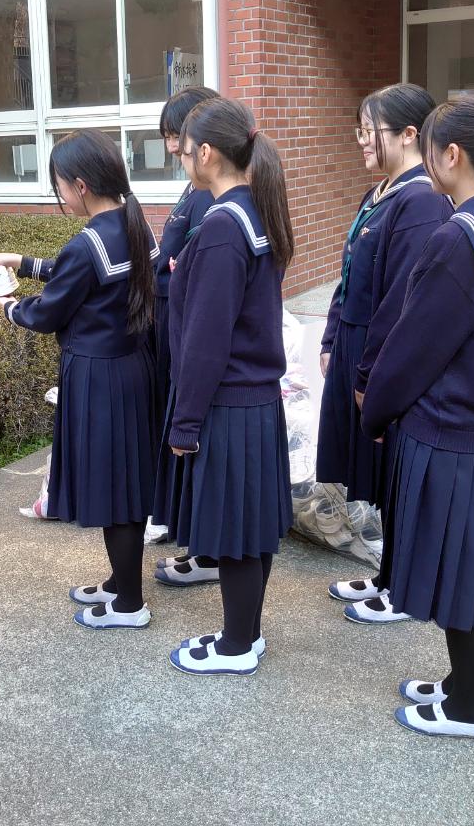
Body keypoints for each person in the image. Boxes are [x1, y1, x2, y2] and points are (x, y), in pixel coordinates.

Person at [358, 94, 474, 739]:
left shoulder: (458, 239)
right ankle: (463, 686)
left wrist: (375, 412)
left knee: (463, 580)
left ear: (452, 155)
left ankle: (469, 709)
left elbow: (414, 349)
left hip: (451, 433)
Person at [0, 130, 160, 630]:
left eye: (60, 186)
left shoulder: (88, 243)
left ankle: (130, 605)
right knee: (125, 485)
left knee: (113, 490)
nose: (59, 195)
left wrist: (8, 307)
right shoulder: (135, 223)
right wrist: (20, 262)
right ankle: (121, 583)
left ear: (81, 185)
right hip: (132, 368)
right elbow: (78, 276)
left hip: (99, 379)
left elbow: (48, 312)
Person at [158, 97, 295, 676]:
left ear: (207, 153)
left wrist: (184, 423)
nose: (182, 158)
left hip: (229, 400)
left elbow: (206, 339)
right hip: (255, 398)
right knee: (252, 525)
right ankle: (246, 634)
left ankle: (237, 646)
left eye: (185, 150)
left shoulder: (221, 226)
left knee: (237, 529)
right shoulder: (252, 210)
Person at [318, 83, 450, 625]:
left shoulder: (421, 201)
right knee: (374, 469)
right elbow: (349, 275)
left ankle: (400, 588)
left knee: (395, 471)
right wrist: (331, 339)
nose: (361, 140)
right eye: (360, 130)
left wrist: (371, 373)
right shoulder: (381, 193)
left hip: (384, 357)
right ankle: (386, 574)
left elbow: (400, 301)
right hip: (356, 346)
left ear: (410, 134)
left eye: (370, 131)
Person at [149, 85, 225, 588]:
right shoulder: (196, 190)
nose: (172, 148)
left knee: (193, 440)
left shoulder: (217, 204)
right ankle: (197, 543)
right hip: (172, 327)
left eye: (175, 137)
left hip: (189, 336)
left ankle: (210, 551)